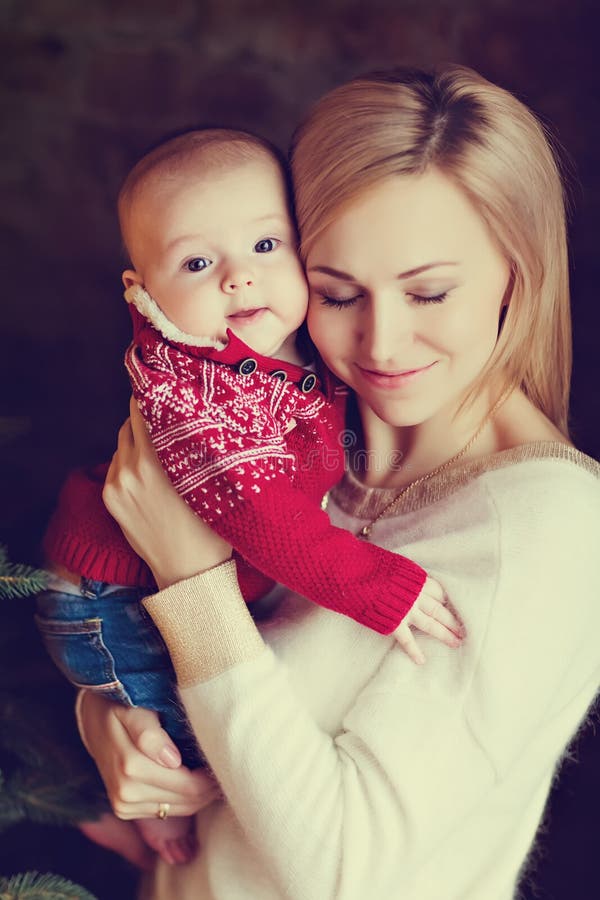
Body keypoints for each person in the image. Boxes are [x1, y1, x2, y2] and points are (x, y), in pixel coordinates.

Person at [76, 65, 599, 899]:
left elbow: (344, 872)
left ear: (518, 268)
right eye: (337, 291)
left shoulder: (546, 529)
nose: (383, 343)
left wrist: (192, 580)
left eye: (429, 291)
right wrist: (112, 721)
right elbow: (241, 713)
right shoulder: (302, 433)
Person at [36, 127, 458, 865]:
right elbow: (273, 524)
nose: (239, 278)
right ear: (142, 292)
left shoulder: (272, 348)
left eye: (266, 246)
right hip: (109, 597)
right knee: (192, 728)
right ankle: (111, 809)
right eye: (198, 262)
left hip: (155, 577)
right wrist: (380, 589)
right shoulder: (199, 397)